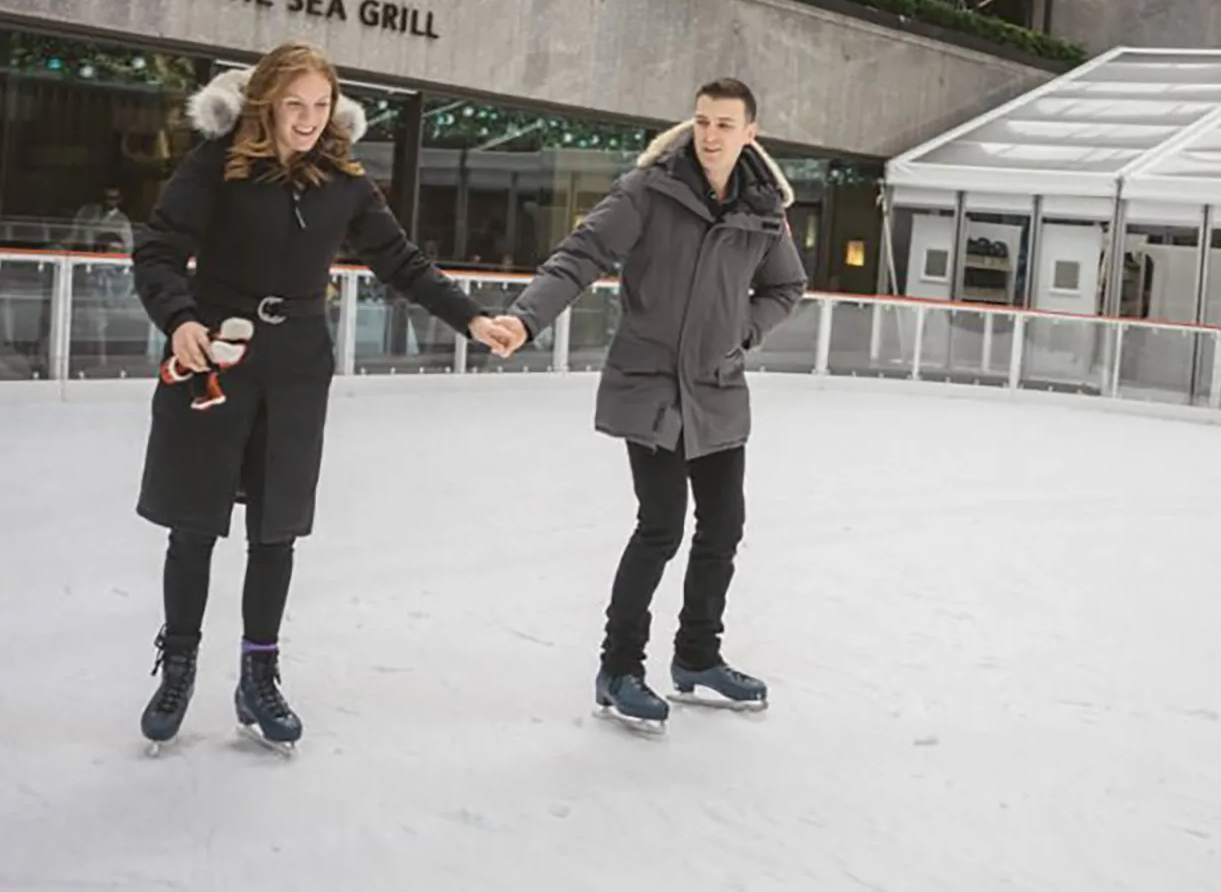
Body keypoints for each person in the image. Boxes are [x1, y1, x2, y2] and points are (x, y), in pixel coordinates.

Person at [131, 41, 514, 754]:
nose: (308, 119)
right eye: (295, 104)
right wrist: (180, 318)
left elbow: (401, 261)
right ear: (267, 103)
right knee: (195, 520)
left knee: (276, 527)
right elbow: (158, 248)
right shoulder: (217, 164)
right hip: (218, 351)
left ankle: (259, 674)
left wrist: (471, 316)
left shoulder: (343, 179)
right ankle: (178, 664)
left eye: (320, 106)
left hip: (299, 362)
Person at [493, 79, 808, 729]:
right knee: (661, 525)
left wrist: (742, 331)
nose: (711, 135)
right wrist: (527, 319)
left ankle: (697, 657)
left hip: (716, 386)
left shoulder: (762, 208)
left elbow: (786, 285)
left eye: (725, 124)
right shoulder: (650, 190)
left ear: (751, 133)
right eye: (702, 121)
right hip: (652, 385)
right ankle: (619, 669)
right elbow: (580, 255)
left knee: (722, 527)